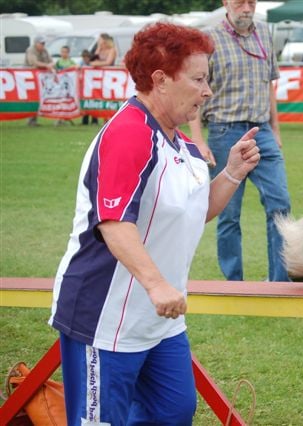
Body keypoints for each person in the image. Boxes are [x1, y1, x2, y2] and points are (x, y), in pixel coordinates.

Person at [48, 22, 260, 425]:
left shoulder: (179, 141)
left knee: (173, 412)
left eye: (207, 79)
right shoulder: (130, 134)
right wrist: (157, 283)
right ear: (160, 80)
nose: (207, 90)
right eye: (198, 79)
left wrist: (232, 172)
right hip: (104, 319)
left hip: (159, 320)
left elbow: (196, 211)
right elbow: (113, 223)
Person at [189, 0, 291, 282]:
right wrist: (197, 139)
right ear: (226, 3)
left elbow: (269, 86)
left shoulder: (265, 34)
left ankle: (280, 280)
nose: (246, 8)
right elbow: (196, 88)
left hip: (262, 133)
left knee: (280, 204)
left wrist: (276, 131)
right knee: (227, 212)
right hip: (224, 131)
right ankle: (234, 282)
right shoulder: (209, 39)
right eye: (239, 2)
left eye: (251, 2)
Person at [24, 35, 55, 127]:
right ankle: (30, 119)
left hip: (41, 79)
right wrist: (47, 65)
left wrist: (50, 65)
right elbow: (33, 62)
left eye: (44, 43)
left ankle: (34, 119)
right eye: (41, 43)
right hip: (30, 78)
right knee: (32, 98)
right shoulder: (31, 50)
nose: (43, 45)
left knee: (39, 97)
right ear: (36, 43)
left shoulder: (45, 51)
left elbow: (51, 61)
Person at [79, 49, 99, 125]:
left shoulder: (92, 64)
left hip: (93, 86)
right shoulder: (81, 64)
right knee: (85, 103)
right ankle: (85, 121)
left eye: (87, 58)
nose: (85, 59)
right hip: (85, 88)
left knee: (94, 102)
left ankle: (94, 120)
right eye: (84, 58)